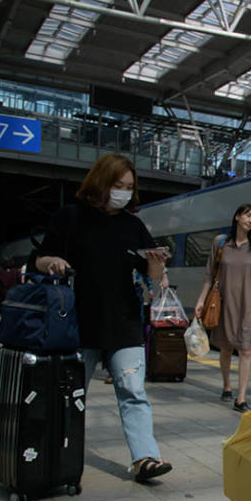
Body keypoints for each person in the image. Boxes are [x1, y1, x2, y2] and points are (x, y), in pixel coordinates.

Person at [33, 153, 173, 482]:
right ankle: (57, 453)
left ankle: (145, 459)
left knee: (132, 390)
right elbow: (37, 260)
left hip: (124, 322)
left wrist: (156, 265)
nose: (124, 192)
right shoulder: (70, 218)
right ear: (101, 182)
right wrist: (51, 260)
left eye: (129, 187)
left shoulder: (133, 226)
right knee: (70, 392)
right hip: (76, 322)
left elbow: (152, 284)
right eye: (118, 185)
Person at [194, 204, 251, 412]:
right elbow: (209, 275)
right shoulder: (221, 243)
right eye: (248, 215)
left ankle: (241, 398)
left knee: (246, 348)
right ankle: (226, 385)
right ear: (237, 217)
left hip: (248, 305)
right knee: (226, 347)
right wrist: (200, 300)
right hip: (224, 303)